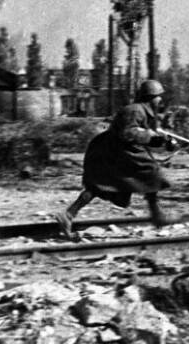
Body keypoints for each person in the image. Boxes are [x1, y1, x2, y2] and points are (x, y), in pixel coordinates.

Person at [55, 79, 181, 238]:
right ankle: (157, 215)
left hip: (120, 151)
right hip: (116, 152)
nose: (160, 99)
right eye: (158, 96)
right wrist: (151, 136)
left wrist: (162, 141)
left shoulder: (142, 111)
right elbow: (128, 133)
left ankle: (69, 214)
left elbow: (140, 136)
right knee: (151, 173)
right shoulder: (135, 110)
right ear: (150, 97)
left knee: (102, 185)